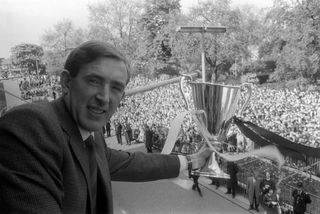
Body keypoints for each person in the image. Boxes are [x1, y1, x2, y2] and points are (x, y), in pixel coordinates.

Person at [0, 40, 213, 214]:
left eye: (116, 87)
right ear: (65, 82)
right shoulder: (30, 126)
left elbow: (131, 164)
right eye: (94, 81)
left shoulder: (91, 134)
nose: (104, 98)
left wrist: (192, 160)